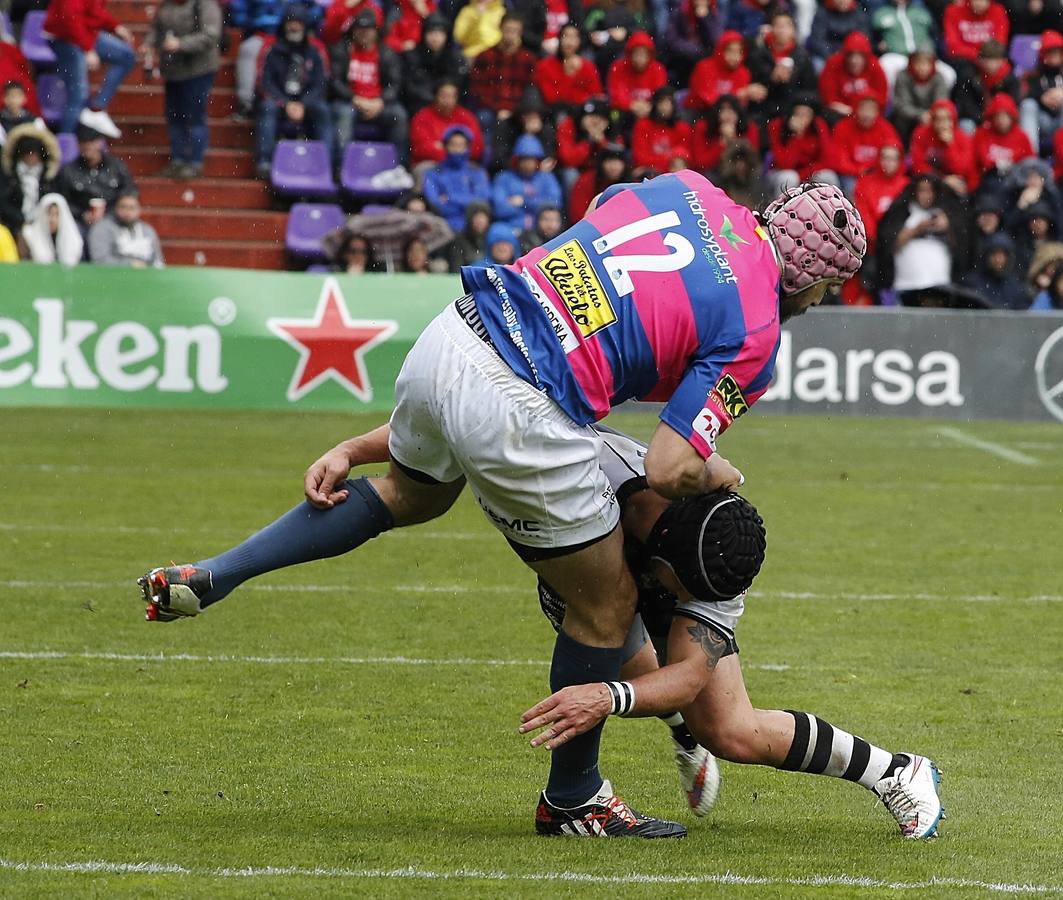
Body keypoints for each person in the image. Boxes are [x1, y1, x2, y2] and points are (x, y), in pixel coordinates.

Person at [138, 173, 867, 839]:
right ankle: (575, 798)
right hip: (521, 406)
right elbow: (667, 464)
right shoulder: (757, 328)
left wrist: (361, 446)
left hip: (456, 333)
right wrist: (717, 475)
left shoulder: (689, 188)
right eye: (829, 288)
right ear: (810, 274)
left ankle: (219, 573)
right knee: (607, 604)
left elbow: (604, 209)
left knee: (407, 495)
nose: (821, 302)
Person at [522, 427, 945, 840]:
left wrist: (607, 697)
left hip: (664, 555)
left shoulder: (720, 549)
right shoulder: (595, 476)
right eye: (688, 593)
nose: (691, 606)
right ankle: (669, 740)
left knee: (729, 730)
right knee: (614, 652)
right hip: (607, 539)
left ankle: (894, 771)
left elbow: (689, 675)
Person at [254, 5, 335, 179]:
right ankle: (264, 162)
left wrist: (303, 104)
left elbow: (321, 82)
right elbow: (264, 82)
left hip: (307, 101)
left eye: (298, 23)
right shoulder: (271, 47)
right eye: (290, 22)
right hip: (279, 99)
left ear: (305, 26)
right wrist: (285, 103)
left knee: (323, 110)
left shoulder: (315, 49)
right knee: (267, 108)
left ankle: (326, 163)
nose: (294, 27)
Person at [146, 0, 222, 179]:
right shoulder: (167, 5)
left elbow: (211, 35)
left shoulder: (204, 4)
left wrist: (181, 44)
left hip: (198, 69)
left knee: (195, 117)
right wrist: (149, 43)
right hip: (172, 69)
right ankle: (178, 159)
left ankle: (195, 161)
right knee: (174, 117)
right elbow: (157, 29)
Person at [44, 0, 136, 137]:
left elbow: (95, 11)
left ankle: (97, 108)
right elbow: (70, 18)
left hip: (86, 32)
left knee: (126, 56)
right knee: (78, 94)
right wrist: (87, 49)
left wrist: (116, 27)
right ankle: (66, 144)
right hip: (64, 37)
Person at [876, 173, 969, 305]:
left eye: (931, 190)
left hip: (940, 289)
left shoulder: (945, 214)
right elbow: (888, 246)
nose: (927, 195)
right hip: (906, 287)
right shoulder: (901, 211)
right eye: (922, 190)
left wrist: (949, 227)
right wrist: (916, 230)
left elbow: (964, 248)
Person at [329, 11, 408, 165]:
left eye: (369, 29)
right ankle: (342, 167)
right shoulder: (342, 50)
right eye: (360, 29)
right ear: (353, 31)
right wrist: (354, 98)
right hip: (350, 101)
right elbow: (335, 81)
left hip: (379, 103)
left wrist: (381, 102)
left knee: (399, 115)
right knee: (344, 114)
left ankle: (399, 167)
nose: (364, 33)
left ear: (376, 32)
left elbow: (395, 83)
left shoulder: (386, 53)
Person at [467, 14, 537, 145]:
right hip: (490, 108)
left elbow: (530, 90)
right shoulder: (485, 56)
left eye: (515, 30)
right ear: (500, 28)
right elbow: (478, 89)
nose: (510, 34)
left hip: (517, 110)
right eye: (508, 29)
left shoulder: (528, 59)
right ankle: (485, 159)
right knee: (483, 118)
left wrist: (513, 109)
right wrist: (498, 108)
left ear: (520, 32)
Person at [52, 124, 134, 229]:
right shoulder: (68, 171)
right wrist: (81, 214)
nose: (88, 147)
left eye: (91, 142)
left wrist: (112, 212)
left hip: (114, 219)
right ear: (78, 145)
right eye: (83, 143)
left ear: (99, 143)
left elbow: (129, 191)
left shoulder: (116, 166)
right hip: (79, 222)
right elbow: (61, 199)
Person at [1019, 29, 1063, 155]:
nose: (1055, 56)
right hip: (1040, 121)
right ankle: (1030, 154)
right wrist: (1042, 97)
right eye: (1050, 52)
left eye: (1058, 52)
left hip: (1062, 120)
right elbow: (1022, 96)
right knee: (1028, 105)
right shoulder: (1031, 75)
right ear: (1043, 55)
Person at [745, 11, 817, 121]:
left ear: (793, 31)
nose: (782, 30)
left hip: (791, 110)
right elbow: (752, 84)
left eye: (787, 25)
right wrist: (772, 79)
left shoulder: (802, 57)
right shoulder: (758, 54)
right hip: (762, 109)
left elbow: (810, 90)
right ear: (771, 29)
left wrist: (790, 83)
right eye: (778, 25)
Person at [828, 92, 901, 196]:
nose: (867, 114)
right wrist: (859, 171)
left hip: (879, 174)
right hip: (851, 176)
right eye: (863, 109)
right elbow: (838, 159)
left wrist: (876, 171)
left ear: (878, 112)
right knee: (851, 187)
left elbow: (895, 154)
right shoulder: (842, 128)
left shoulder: (886, 129)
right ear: (856, 109)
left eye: (871, 109)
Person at [422, 126, 489, 232]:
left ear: (468, 147)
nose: (457, 150)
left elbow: (481, 202)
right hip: (443, 225)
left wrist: (449, 198)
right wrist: (467, 201)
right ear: (445, 146)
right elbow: (436, 204)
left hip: (473, 225)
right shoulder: (433, 173)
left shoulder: (476, 171)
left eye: (461, 145)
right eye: (453, 145)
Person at [490, 134, 562, 232]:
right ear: (517, 160)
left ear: (537, 161)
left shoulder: (547, 178)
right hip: (512, 230)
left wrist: (524, 202)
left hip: (542, 231)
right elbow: (499, 209)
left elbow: (555, 203)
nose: (528, 164)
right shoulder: (504, 178)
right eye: (524, 159)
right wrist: (535, 208)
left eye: (531, 160)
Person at [399, 14, 469, 113]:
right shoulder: (411, 57)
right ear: (424, 34)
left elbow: (460, 87)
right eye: (431, 32)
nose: (435, 37)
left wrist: (444, 99)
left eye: (440, 33)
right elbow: (409, 87)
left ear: (447, 35)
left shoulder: (456, 58)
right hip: (419, 106)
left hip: (450, 107)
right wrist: (435, 100)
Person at [764, 94, 832, 193]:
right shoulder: (777, 126)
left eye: (806, 115)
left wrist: (803, 175)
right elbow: (784, 164)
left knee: (828, 176)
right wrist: (796, 136)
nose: (802, 119)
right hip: (780, 173)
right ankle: (783, 208)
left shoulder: (818, 126)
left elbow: (827, 159)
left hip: (809, 172)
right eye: (798, 114)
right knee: (789, 177)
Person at [408, 80, 483, 169]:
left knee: (478, 172)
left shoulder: (467, 117)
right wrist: (458, 148)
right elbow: (420, 149)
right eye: (443, 96)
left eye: (452, 96)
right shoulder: (422, 117)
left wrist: (442, 147)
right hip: (432, 164)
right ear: (435, 96)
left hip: (462, 163)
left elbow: (477, 148)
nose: (448, 100)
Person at [816, 30, 887, 123]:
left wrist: (862, 112)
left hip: (867, 116)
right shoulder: (833, 64)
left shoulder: (875, 66)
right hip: (841, 115)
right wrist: (852, 111)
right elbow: (828, 98)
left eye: (859, 56)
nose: (854, 61)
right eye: (851, 55)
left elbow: (881, 98)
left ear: (866, 57)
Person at [0, 123, 59, 234]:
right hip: (14, 225)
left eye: (34, 154)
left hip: (44, 224)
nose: (31, 158)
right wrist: (21, 222)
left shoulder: (49, 177)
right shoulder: (9, 176)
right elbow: (4, 204)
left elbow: (53, 201)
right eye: (27, 154)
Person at [909, 98, 977, 195]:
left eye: (947, 119)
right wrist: (943, 179)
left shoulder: (962, 138)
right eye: (939, 119)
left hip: (957, 183)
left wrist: (950, 145)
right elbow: (917, 166)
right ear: (933, 120)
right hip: (931, 181)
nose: (943, 124)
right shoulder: (921, 133)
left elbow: (962, 170)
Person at [951, 38, 1018, 131]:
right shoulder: (969, 76)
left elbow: (1012, 104)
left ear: (1003, 61)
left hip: (1001, 121)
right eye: (988, 59)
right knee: (966, 125)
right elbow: (966, 105)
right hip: (975, 120)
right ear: (980, 60)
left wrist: (995, 120)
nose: (992, 64)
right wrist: (983, 120)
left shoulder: (1009, 79)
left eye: (996, 60)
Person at [533, 23, 603, 112]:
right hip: (555, 113)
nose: (569, 42)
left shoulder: (588, 66)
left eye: (574, 37)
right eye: (565, 36)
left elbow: (596, 96)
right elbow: (551, 98)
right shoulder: (545, 65)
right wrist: (569, 75)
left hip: (583, 113)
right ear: (559, 39)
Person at [685, 31, 760, 114]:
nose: (735, 56)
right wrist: (738, 94)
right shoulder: (704, 67)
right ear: (720, 50)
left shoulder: (743, 73)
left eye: (739, 52)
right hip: (700, 113)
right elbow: (707, 99)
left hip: (728, 118)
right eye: (730, 51)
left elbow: (740, 107)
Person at [972, 93, 1034, 191]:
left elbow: (1030, 161)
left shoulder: (1021, 136)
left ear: (1011, 116)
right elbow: (980, 161)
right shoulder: (982, 134)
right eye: (998, 116)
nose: (1001, 120)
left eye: (1005, 116)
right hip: (989, 180)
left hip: (1015, 181)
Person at [88, 189, 164, 267]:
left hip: (146, 276)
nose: (127, 212)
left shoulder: (148, 230)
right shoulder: (102, 228)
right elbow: (99, 260)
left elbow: (158, 261)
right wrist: (130, 264)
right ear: (115, 208)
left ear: (139, 209)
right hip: (114, 275)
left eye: (132, 208)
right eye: (123, 207)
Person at [891, 44, 950, 142]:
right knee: (899, 121)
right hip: (908, 119)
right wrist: (920, 115)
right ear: (912, 63)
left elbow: (941, 103)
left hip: (932, 118)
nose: (922, 67)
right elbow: (901, 105)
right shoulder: (903, 76)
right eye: (919, 63)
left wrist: (931, 115)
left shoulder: (938, 78)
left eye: (926, 63)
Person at [852, 142, 908, 244]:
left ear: (899, 161)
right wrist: (874, 238)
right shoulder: (864, 183)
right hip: (871, 242)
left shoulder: (907, 185)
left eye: (893, 159)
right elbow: (863, 212)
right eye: (885, 158)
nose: (889, 163)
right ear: (879, 159)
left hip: (899, 242)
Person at [690, 95, 759, 174]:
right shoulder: (703, 127)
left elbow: (751, 159)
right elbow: (701, 163)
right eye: (723, 110)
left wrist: (733, 139)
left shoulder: (749, 128)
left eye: (731, 110)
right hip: (713, 172)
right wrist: (722, 143)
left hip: (741, 174)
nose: (728, 114)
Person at [608, 31, 669, 121]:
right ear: (630, 54)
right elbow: (616, 95)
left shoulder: (658, 69)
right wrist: (631, 105)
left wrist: (650, 106)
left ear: (650, 55)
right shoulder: (618, 67)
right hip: (625, 113)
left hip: (651, 112)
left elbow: (660, 95)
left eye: (644, 54)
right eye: (637, 53)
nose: (640, 58)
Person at [631, 87, 691, 177]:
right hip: (650, 174)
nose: (665, 107)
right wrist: (669, 160)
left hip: (674, 174)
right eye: (661, 102)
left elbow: (683, 159)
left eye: (669, 102)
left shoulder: (682, 127)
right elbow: (640, 158)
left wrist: (660, 164)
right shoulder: (642, 125)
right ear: (655, 104)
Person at [943, 0, 1009, 76]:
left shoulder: (998, 11)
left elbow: (999, 41)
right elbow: (953, 45)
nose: (979, 3)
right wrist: (978, 56)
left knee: (1004, 71)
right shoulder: (954, 11)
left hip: (991, 57)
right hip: (966, 60)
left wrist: (989, 57)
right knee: (965, 71)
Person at [662, 0, 722, 85]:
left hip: (704, 55)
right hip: (683, 57)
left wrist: (705, 18)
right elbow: (671, 39)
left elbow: (716, 40)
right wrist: (694, 49)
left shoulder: (713, 11)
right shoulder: (680, 10)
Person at [962, 232, 1027, 309]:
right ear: (986, 256)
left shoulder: (1016, 287)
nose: (998, 260)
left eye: (1001, 255)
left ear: (1008, 258)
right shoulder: (972, 283)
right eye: (994, 254)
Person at [21, 191, 84, 265]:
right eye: (49, 213)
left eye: (56, 214)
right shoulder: (28, 236)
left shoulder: (74, 239)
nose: (52, 219)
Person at [807, 0, 869, 67]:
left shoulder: (859, 14)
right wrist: (832, 56)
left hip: (853, 55)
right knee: (818, 65)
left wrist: (849, 56)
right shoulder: (822, 14)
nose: (842, 1)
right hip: (827, 55)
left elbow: (863, 39)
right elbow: (817, 40)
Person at [440, 198, 490, 271]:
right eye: (477, 217)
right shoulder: (459, 240)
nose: (480, 221)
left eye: (483, 217)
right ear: (470, 219)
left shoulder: (491, 238)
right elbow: (456, 267)